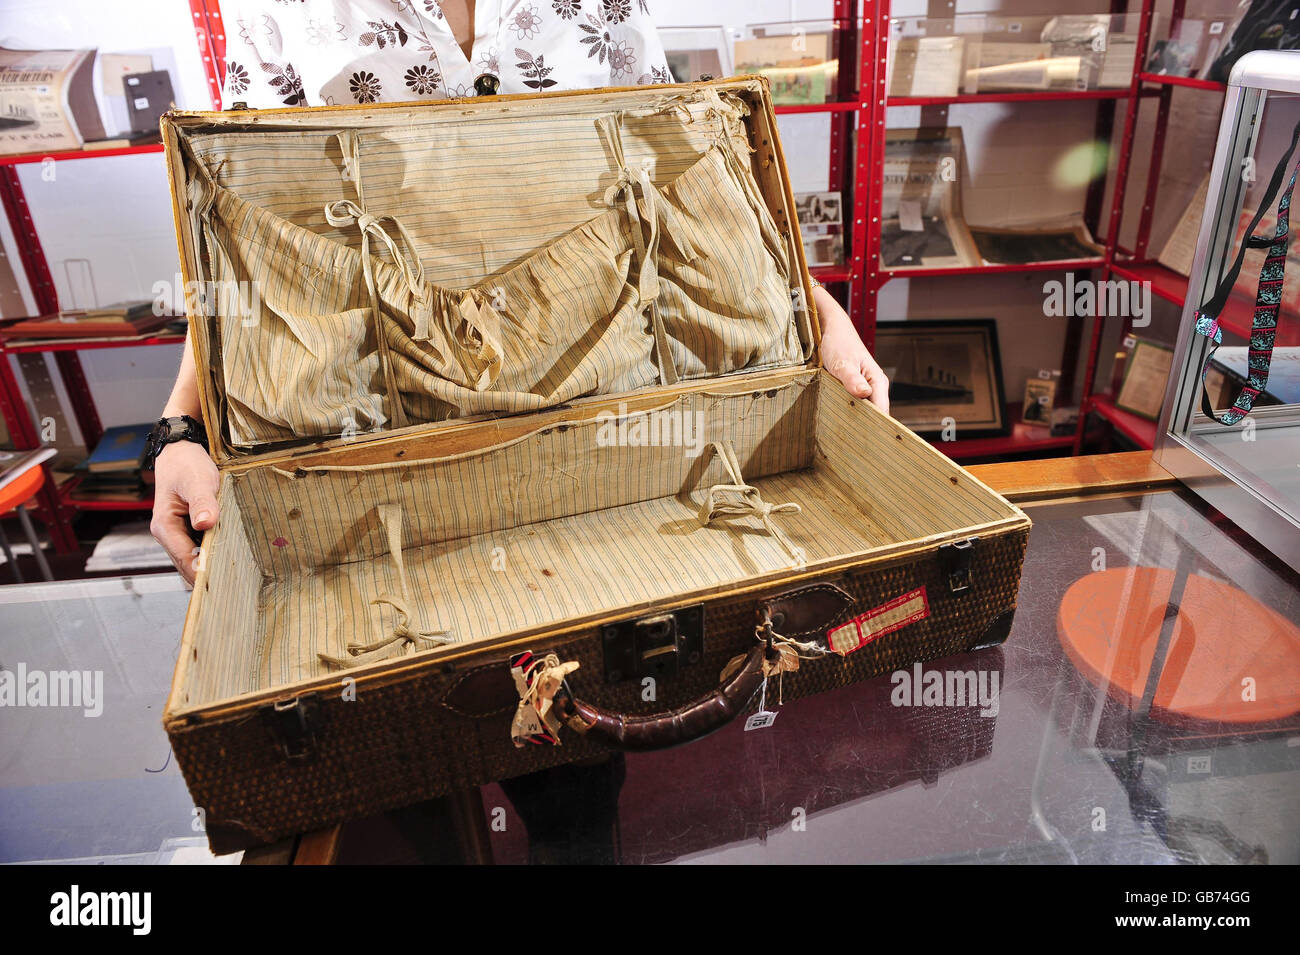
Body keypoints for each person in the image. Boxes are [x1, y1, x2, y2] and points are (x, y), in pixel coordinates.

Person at [150, 0, 890, 583]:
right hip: (389, 468)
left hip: (607, 433)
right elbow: (251, 239)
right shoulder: (279, 11)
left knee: (583, 746)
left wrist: (818, 316)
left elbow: (686, 175)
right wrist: (179, 426)